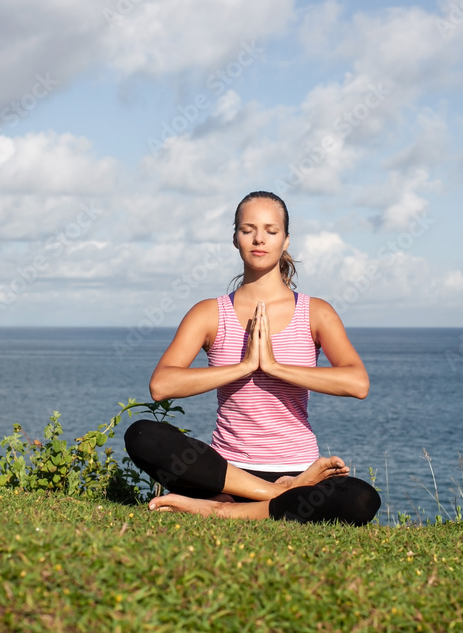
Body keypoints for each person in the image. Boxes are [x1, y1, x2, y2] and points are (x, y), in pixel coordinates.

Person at [123, 191, 381, 525]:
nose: (259, 238)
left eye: (271, 231)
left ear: (286, 240)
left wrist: (274, 367)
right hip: (224, 471)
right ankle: (274, 498)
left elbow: (357, 383)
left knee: (361, 499)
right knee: (143, 435)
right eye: (248, 229)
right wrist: (244, 367)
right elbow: (161, 385)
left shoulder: (315, 313)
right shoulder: (209, 313)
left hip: (296, 469)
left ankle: (223, 509)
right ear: (235, 238)